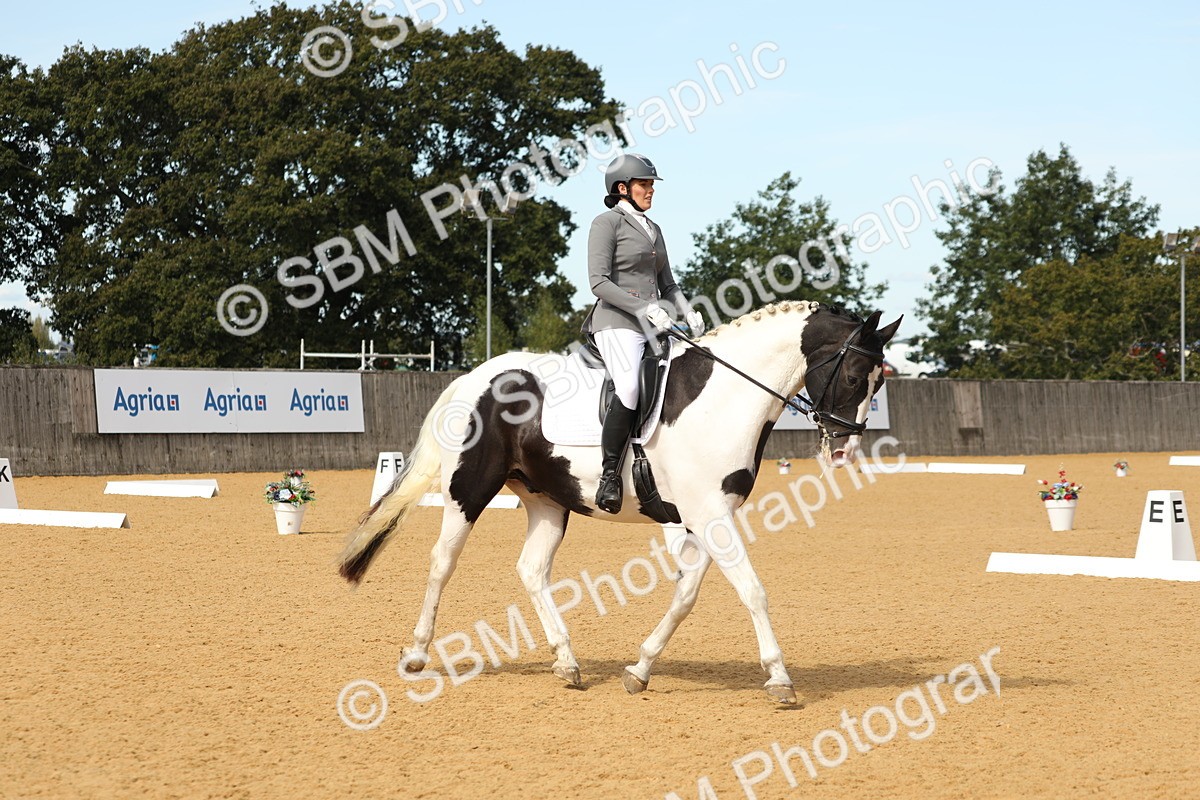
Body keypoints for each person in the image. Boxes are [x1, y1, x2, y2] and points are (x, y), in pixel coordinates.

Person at [580, 154, 704, 513]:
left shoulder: (654, 228)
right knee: (630, 387)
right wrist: (643, 307)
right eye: (644, 184)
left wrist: (687, 309)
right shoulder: (606, 223)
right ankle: (609, 476)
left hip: (655, 325)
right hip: (615, 323)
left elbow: (668, 283)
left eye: (651, 185)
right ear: (623, 188)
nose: (651, 191)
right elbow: (598, 282)